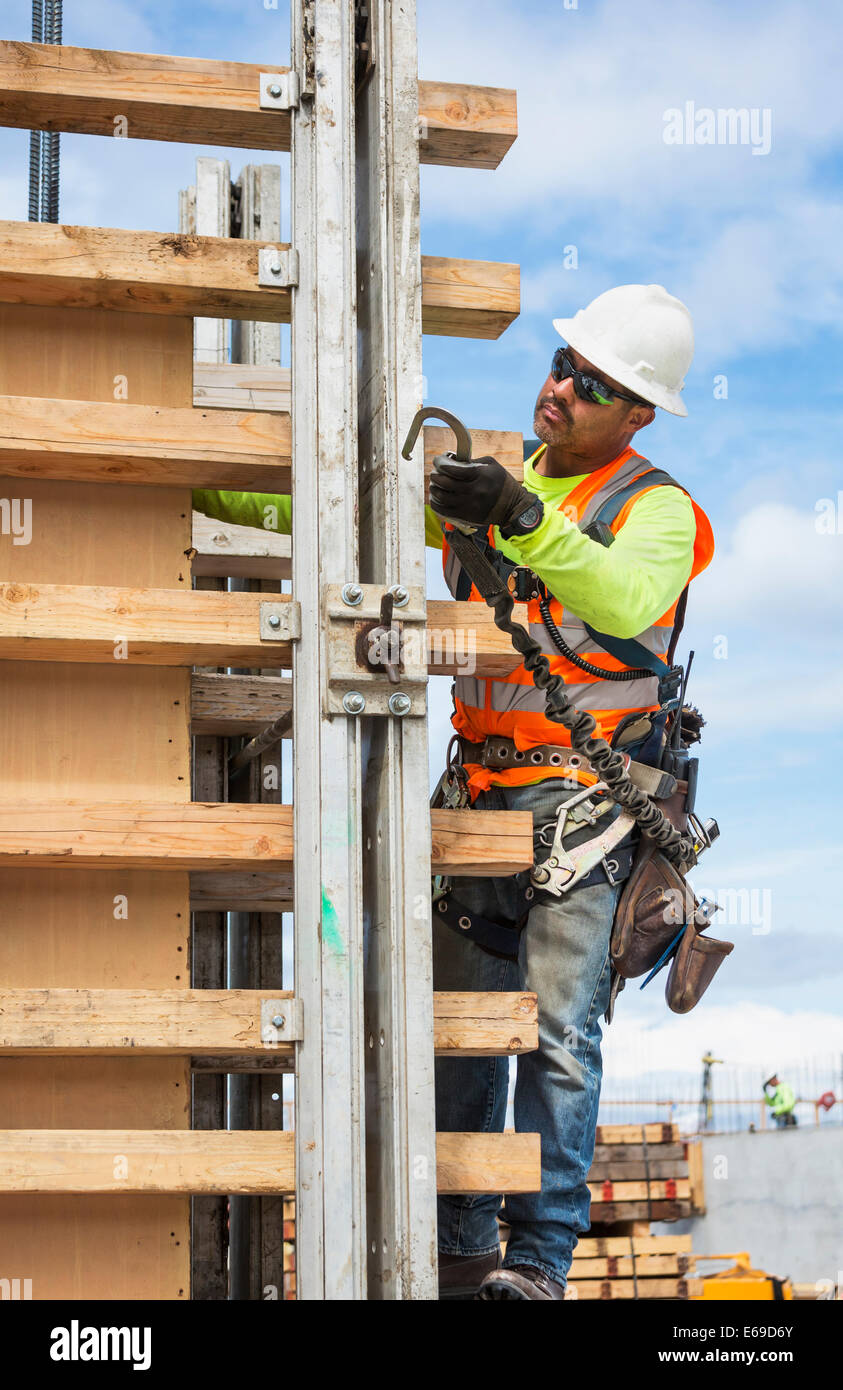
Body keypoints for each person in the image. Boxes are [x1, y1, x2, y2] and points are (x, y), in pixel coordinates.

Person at [192, 282, 715, 1302]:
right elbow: (332, 513)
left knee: (561, 1035)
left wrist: (518, 515)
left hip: (589, 811)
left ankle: (540, 1262)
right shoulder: (479, 485)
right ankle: (465, 1254)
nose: (561, 386)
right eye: (563, 364)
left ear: (638, 413)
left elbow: (622, 595)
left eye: (593, 383)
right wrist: (197, 484)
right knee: (464, 1034)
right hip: (478, 802)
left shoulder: (660, 511)